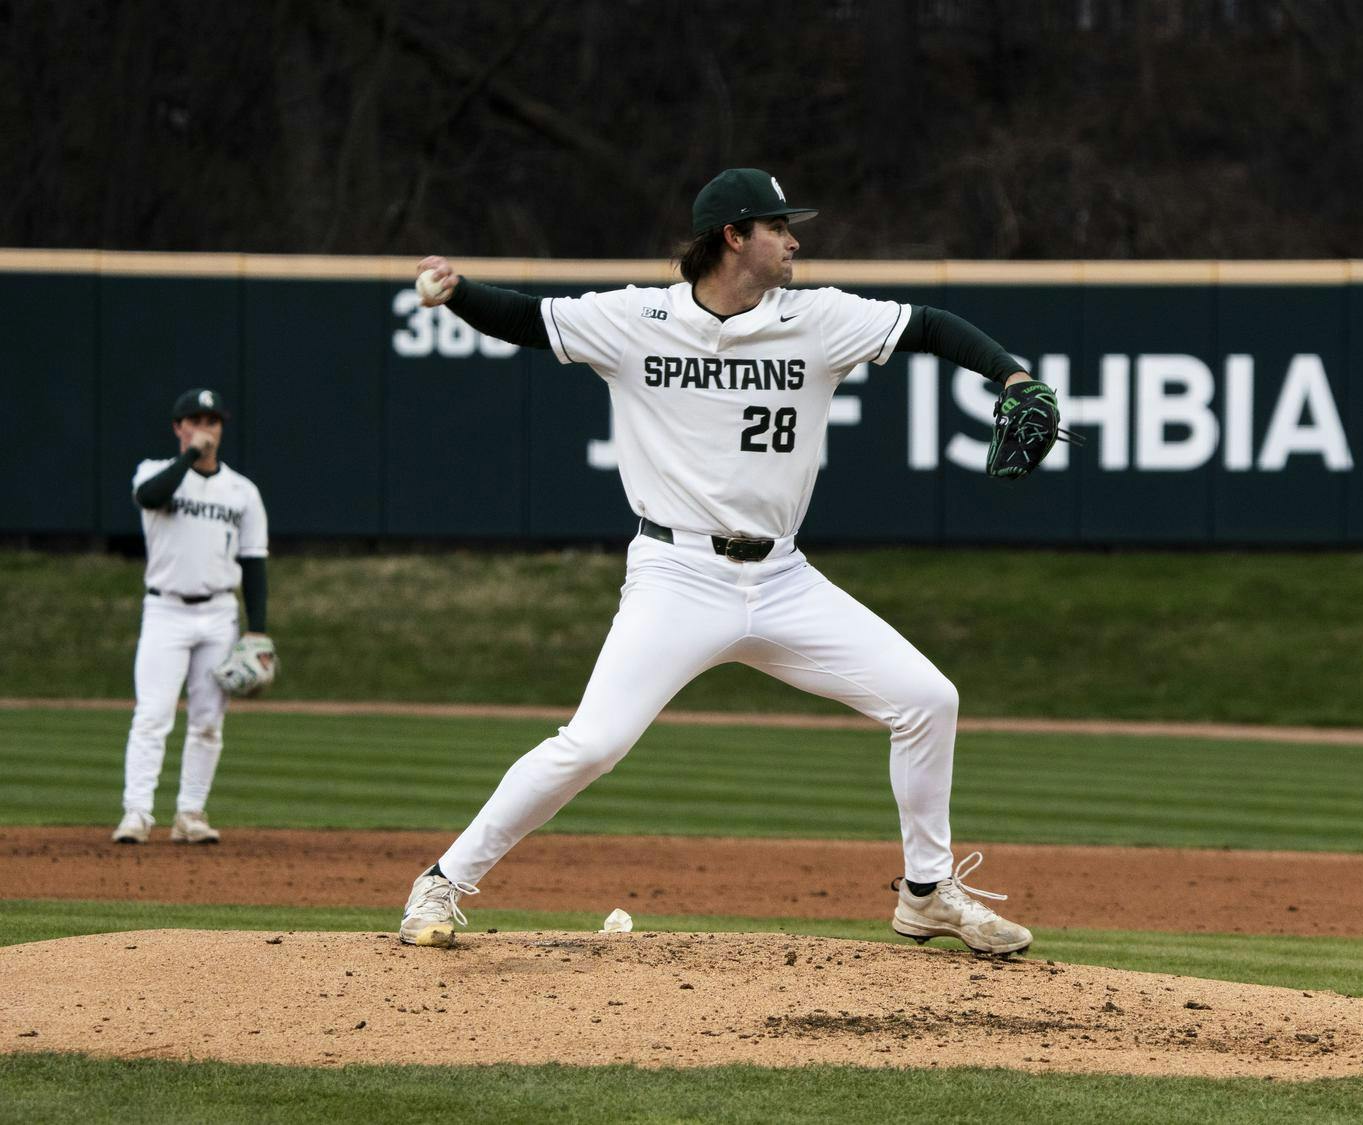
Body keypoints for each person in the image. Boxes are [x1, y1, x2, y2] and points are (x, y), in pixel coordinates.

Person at [397, 168, 1060, 955]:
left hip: (783, 578)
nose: (794, 240)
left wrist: (1014, 376)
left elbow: (932, 326)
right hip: (676, 575)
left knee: (927, 699)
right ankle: (443, 879)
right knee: (594, 742)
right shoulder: (636, 318)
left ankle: (926, 893)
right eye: (777, 226)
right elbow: (526, 319)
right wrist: (458, 290)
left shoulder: (819, 319)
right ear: (733, 235)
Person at [114, 388, 270, 845]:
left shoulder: (242, 491)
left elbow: (254, 561)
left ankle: (190, 814)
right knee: (152, 715)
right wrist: (189, 458)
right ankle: (137, 813)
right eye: (195, 420)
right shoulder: (155, 472)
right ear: (178, 428)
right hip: (165, 610)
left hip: (219, 613)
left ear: (222, 427)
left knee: (207, 721)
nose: (205, 429)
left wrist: (257, 630)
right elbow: (150, 497)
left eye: (212, 421)